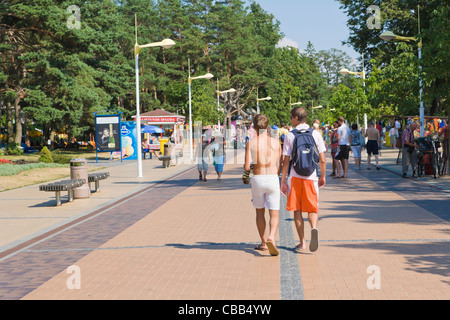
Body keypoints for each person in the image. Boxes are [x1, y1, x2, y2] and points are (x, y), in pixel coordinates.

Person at [280, 107, 326, 253]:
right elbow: (323, 159)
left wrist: (283, 180)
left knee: (297, 209)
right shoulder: (316, 134)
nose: (290, 120)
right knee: (312, 208)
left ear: (295, 118)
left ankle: (302, 243)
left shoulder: (290, 135)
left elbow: (286, 160)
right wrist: (322, 176)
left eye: (291, 117)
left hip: (294, 177)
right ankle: (314, 229)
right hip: (311, 176)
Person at [244, 114, 282, 256]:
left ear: (253, 127)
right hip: (272, 178)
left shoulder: (251, 143)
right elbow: (279, 165)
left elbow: (247, 168)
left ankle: (263, 242)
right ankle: (272, 237)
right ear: (268, 127)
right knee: (274, 212)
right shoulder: (276, 143)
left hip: (258, 179)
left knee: (260, 211)